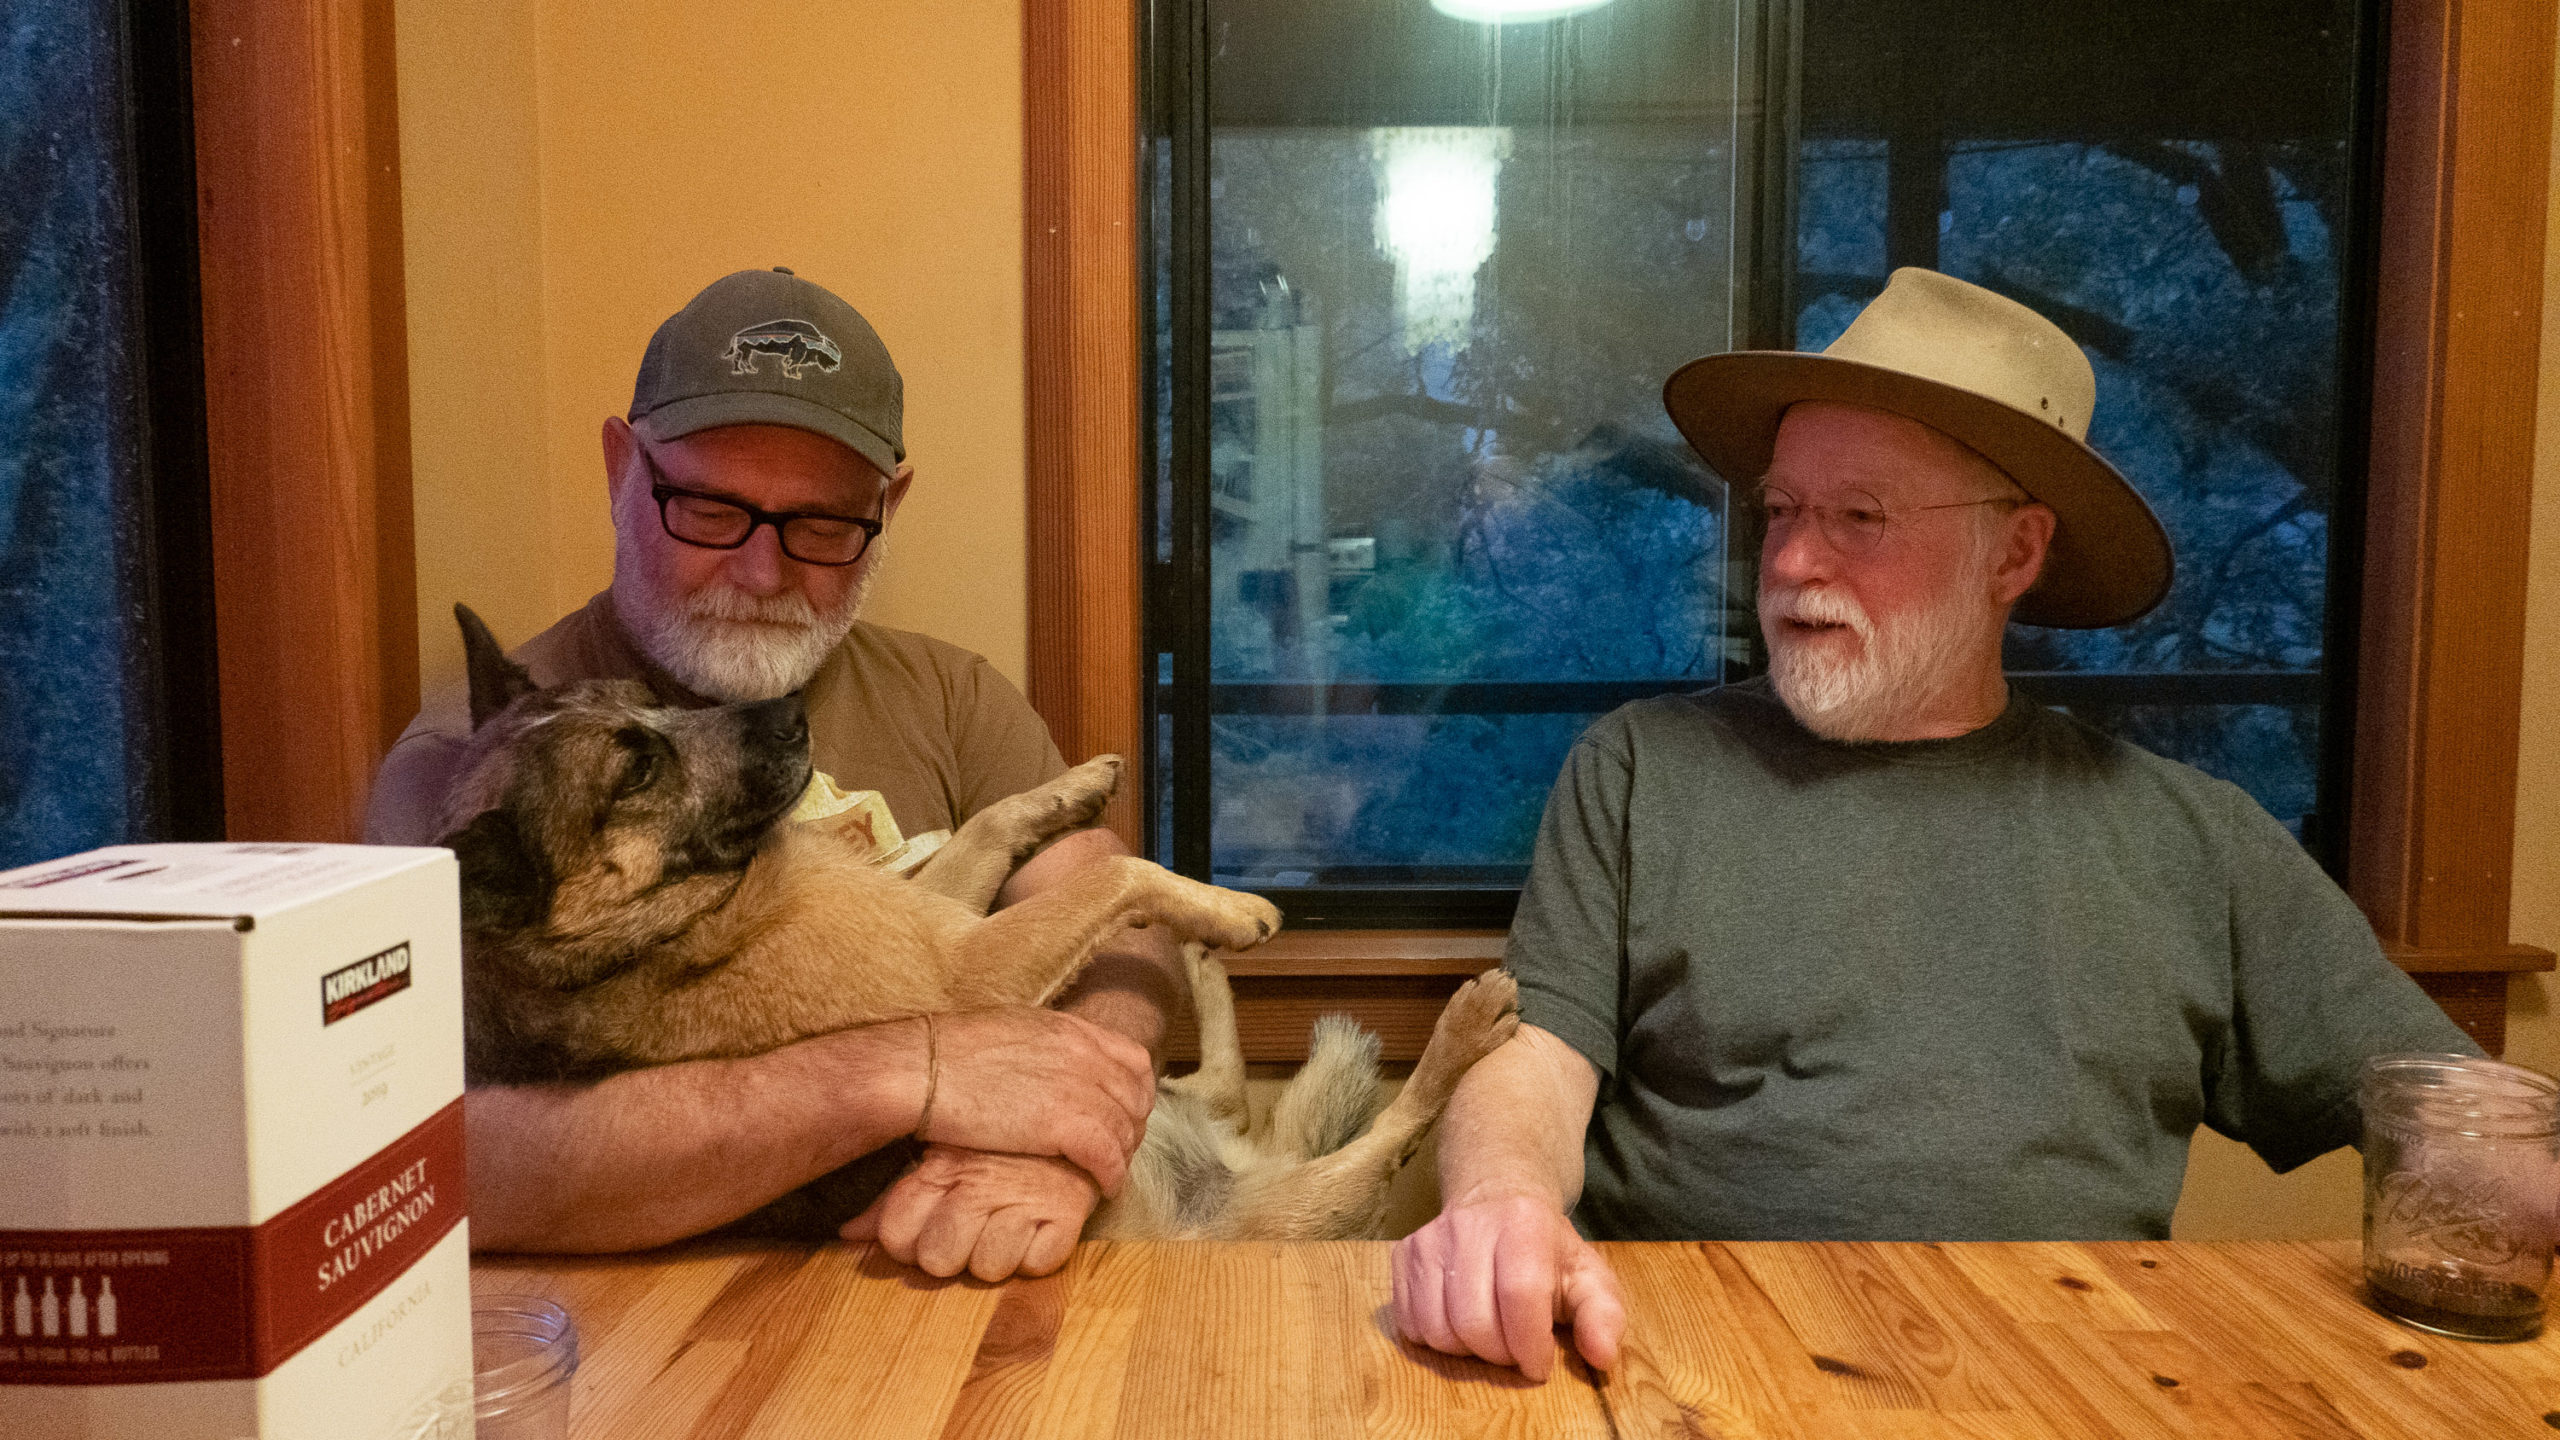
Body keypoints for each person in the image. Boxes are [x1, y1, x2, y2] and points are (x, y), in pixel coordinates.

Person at [1388, 268, 2480, 1381]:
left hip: (2069, 1379)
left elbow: (2457, 1118)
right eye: (1782, 511)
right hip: (1686, 1370)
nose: (1793, 562)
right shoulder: (1640, 768)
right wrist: (1501, 1201)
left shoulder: (2192, 836)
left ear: (2014, 553)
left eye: (1859, 516)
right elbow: (1535, 1060)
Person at [367, 267, 1179, 1280]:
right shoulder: (477, 783)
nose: (762, 571)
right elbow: (438, 1167)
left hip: (949, 1298)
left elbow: (1128, 929)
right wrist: (896, 1073)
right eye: (707, 507)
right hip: (639, 1340)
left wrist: (1070, 1134)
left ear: (889, 504)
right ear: (622, 465)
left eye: (823, 524)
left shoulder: (948, 694)